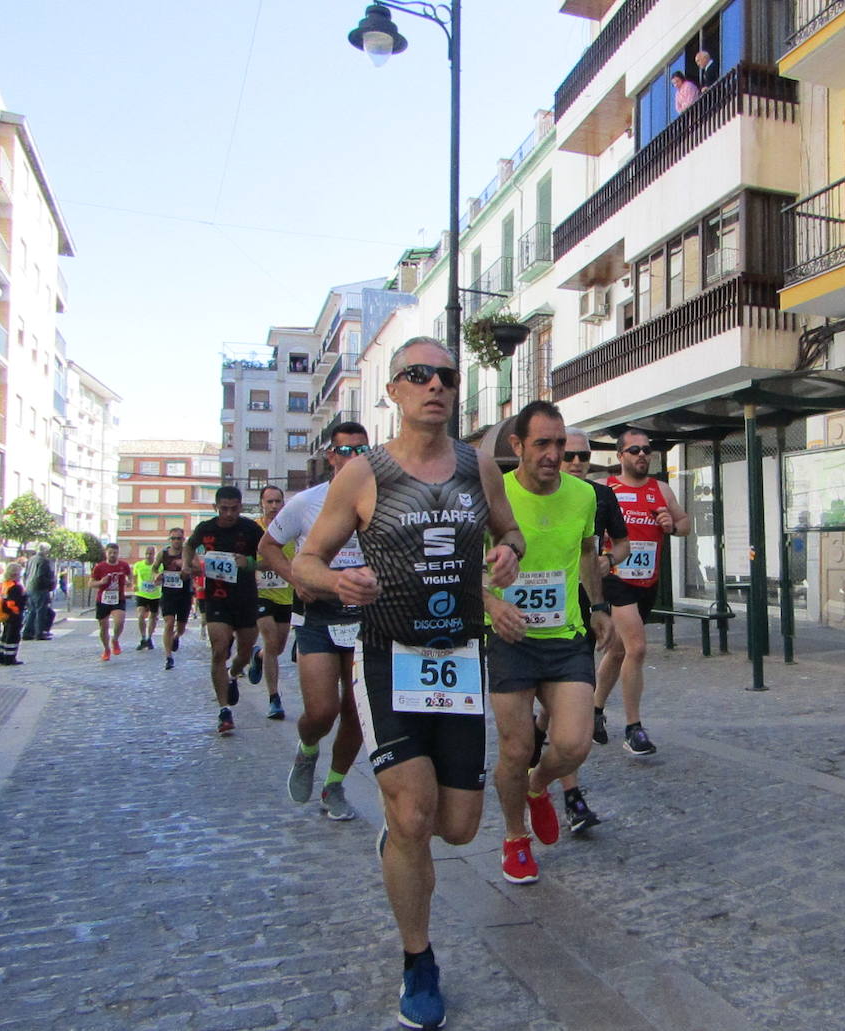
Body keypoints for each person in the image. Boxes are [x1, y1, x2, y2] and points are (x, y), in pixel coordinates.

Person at [291, 336, 522, 1031]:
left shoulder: (478, 465)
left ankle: (396, 841)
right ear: (392, 391)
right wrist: (334, 579)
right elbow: (304, 562)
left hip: (457, 661)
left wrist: (507, 554)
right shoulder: (364, 473)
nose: (436, 386)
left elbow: (509, 533)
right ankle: (418, 957)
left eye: (447, 376)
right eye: (418, 375)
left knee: (456, 827)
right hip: (390, 657)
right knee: (416, 812)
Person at [485, 403, 614, 883]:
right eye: (542, 443)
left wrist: (598, 606)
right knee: (515, 749)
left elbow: (585, 551)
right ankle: (516, 838)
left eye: (559, 444)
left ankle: (539, 786)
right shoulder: (493, 496)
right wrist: (492, 605)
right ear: (517, 446)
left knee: (574, 744)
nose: (554, 453)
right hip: (510, 637)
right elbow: (460, 568)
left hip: (565, 636)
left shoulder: (583, 496)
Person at [261, 427, 373, 821]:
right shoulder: (307, 503)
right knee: (322, 711)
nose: (355, 456)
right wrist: (298, 579)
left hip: (365, 615)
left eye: (363, 449)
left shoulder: (381, 498)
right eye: (347, 450)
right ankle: (308, 749)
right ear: (331, 456)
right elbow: (268, 547)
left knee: (357, 711)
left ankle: (335, 785)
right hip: (320, 616)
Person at [530, 428, 630, 834]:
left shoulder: (598, 497)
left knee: (566, 701)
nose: (574, 463)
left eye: (582, 457)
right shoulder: (533, 492)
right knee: (561, 702)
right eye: (568, 455)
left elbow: (621, 545)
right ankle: (570, 794)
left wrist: (607, 561)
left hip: (584, 610)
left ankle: (548, 749)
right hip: (536, 618)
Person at [594, 429, 691, 757]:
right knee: (637, 648)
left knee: (619, 651)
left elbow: (685, 523)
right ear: (620, 456)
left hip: (647, 582)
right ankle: (633, 729)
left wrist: (672, 525)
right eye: (634, 450)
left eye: (647, 450)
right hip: (617, 578)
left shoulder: (661, 489)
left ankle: (593, 712)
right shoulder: (607, 489)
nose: (642, 455)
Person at [183, 486, 265, 735]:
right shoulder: (205, 528)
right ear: (216, 507)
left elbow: (270, 557)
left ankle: (235, 672)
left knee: (242, 651)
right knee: (219, 649)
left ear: (241, 507)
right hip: (217, 598)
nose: (229, 514)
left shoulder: (251, 530)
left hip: (246, 598)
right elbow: (189, 546)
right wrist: (189, 563)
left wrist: (249, 563)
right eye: (224, 508)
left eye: (234, 508)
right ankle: (224, 711)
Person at [250, 486, 292, 721]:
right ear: (261, 503)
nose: (274, 506)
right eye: (270, 502)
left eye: (278, 501)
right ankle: (274, 698)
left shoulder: (290, 527)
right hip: (260, 594)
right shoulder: (254, 529)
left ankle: (258, 656)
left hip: (286, 594)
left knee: (277, 648)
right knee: (272, 640)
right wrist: (259, 566)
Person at [154, 529, 192, 670]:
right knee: (169, 623)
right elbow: (154, 568)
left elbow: (198, 569)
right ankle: (168, 657)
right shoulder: (163, 554)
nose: (176, 541)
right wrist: (156, 575)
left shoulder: (187, 553)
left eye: (179, 538)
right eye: (173, 538)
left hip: (184, 594)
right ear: (169, 540)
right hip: (168, 593)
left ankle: (176, 637)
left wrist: (185, 565)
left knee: (181, 628)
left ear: (183, 539)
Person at [90, 544, 133, 662]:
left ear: (118, 553)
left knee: (120, 621)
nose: (113, 555)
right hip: (103, 599)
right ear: (106, 553)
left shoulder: (123, 565)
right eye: (110, 553)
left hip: (118, 598)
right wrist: (100, 582)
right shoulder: (99, 567)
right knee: (103, 627)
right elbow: (91, 583)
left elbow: (130, 575)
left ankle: (115, 640)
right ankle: (106, 649)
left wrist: (130, 582)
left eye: (115, 553)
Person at [22, 543, 55, 641]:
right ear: (45, 551)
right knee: (41, 611)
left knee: (32, 611)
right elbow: (41, 576)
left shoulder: (31, 559)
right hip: (40, 589)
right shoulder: (44, 561)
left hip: (30, 588)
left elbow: (26, 574)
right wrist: (50, 584)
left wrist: (26, 585)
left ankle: (27, 633)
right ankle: (39, 633)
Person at [0, 564, 25, 665]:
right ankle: (10, 658)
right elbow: (13, 602)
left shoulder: (5, 584)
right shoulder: (16, 586)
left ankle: (0, 656)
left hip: (4, 614)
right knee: (13, 636)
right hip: (13, 614)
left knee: (5, 635)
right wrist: (17, 612)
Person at [132, 546, 162, 650]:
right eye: (147, 554)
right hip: (142, 594)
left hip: (155, 595)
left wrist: (158, 581)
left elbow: (162, 578)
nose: (149, 556)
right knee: (141, 615)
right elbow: (135, 577)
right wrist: (134, 585)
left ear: (155, 555)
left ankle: (149, 638)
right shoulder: (138, 565)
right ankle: (143, 638)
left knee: (153, 617)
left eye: (151, 554)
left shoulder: (159, 566)